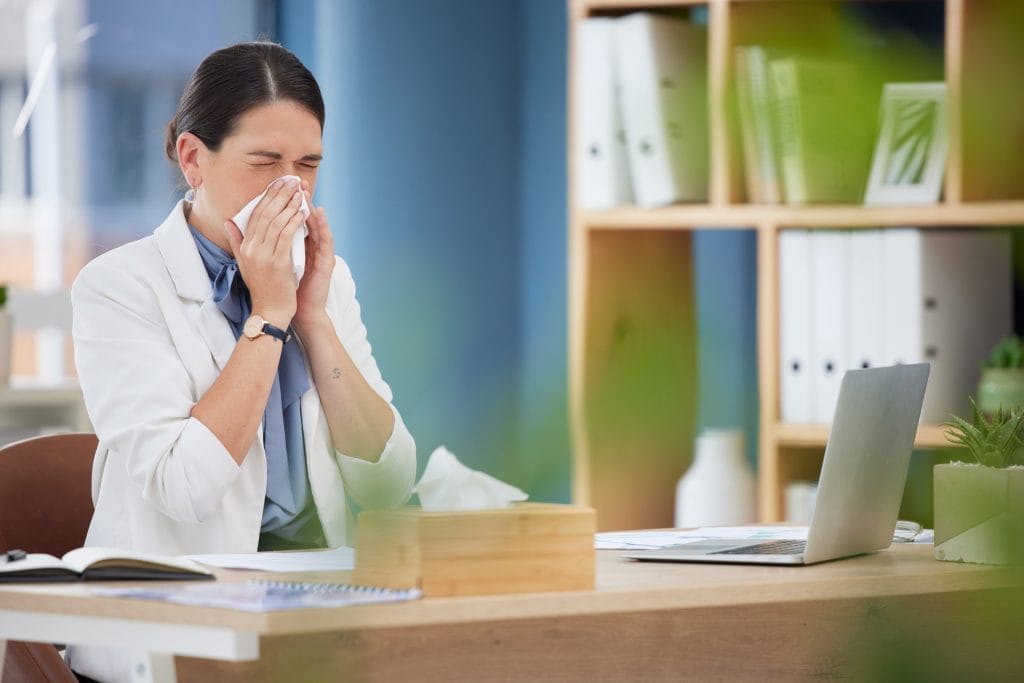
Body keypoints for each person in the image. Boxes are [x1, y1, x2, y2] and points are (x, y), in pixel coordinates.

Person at [67, 42, 416, 682]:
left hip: (314, 619)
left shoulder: (327, 283)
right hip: (171, 628)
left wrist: (312, 317)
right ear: (193, 158)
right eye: (265, 162)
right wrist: (270, 316)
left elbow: (388, 483)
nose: (291, 187)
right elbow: (185, 487)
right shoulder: (117, 286)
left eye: (308, 165)